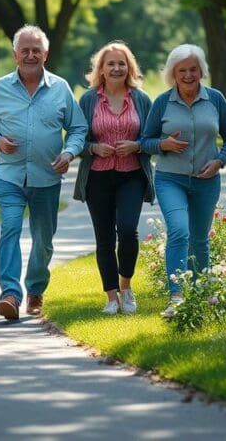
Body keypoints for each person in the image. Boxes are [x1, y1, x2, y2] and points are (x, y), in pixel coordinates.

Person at [0, 25, 88, 320]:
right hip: (9, 175)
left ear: (45, 54)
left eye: (35, 50)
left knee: (43, 238)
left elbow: (78, 128)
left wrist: (69, 152)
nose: (30, 55)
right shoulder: (0, 88)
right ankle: (10, 295)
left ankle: (35, 290)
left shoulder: (61, 88)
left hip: (47, 177)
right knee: (10, 228)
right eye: (24, 50)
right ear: (15, 54)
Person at [140, 44, 226, 318]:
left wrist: (220, 160)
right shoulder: (162, 102)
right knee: (179, 230)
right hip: (171, 179)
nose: (187, 75)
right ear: (173, 73)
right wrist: (164, 144)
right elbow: (144, 141)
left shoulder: (215, 99)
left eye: (193, 69)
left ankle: (201, 294)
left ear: (201, 71)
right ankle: (176, 296)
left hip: (207, 181)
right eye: (181, 70)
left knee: (199, 240)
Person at [73, 42, 154, 315]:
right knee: (104, 238)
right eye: (111, 64)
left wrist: (138, 145)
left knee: (128, 231)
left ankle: (126, 287)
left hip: (132, 175)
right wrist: (93, 148)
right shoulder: (88, 100)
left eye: (122, 63)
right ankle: (110, 297)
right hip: (97, 177)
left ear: (129, 67)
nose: (116, 68)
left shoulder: (141, 99)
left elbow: (152, 137)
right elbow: (75, 140)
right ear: (102, 69)